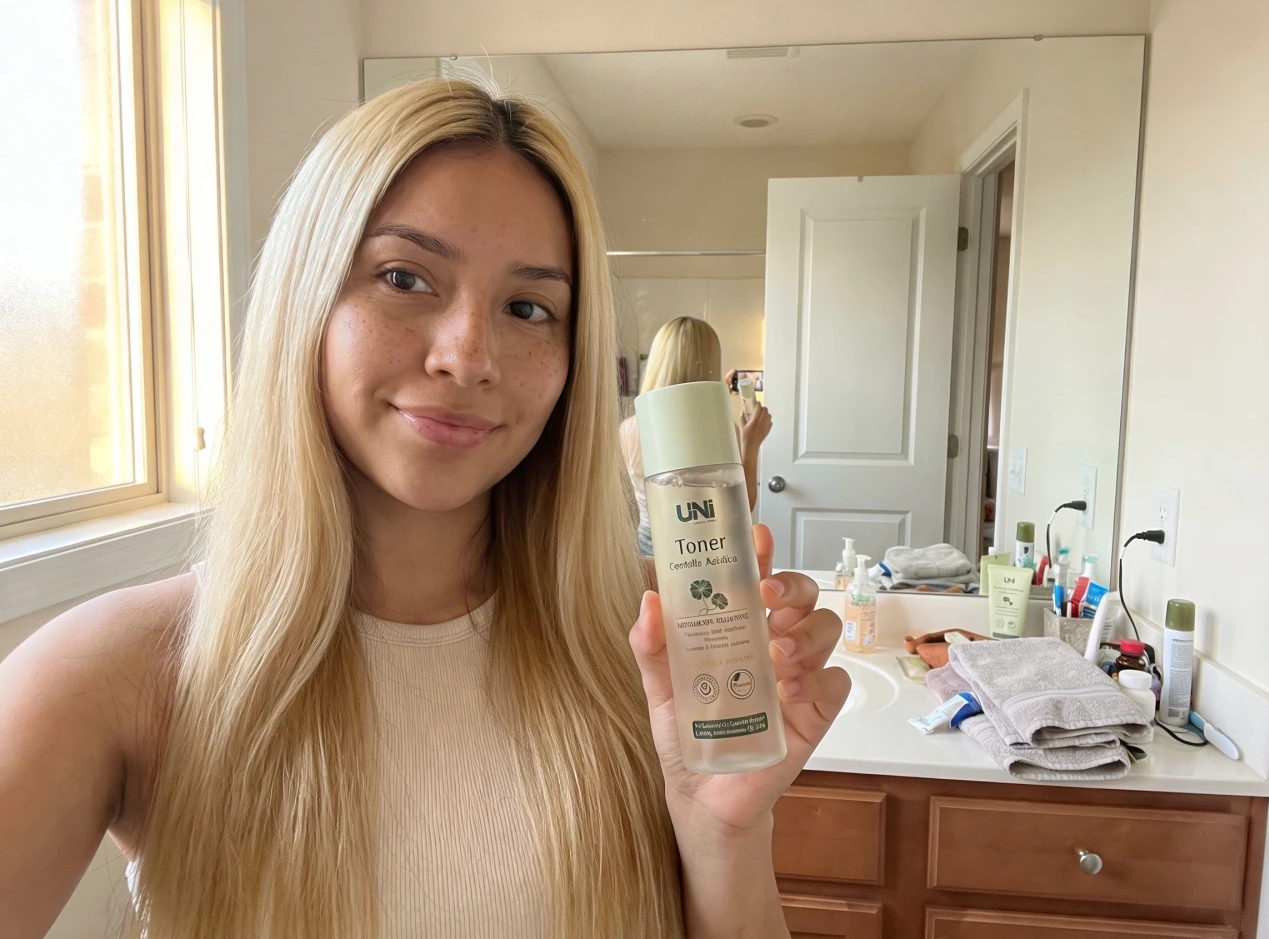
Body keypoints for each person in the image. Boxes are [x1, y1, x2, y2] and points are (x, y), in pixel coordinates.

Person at [0, 79, 847, 939]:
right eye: (403, 277)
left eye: (528, 307)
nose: (468, 356)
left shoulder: (658, 643)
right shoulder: (116, 672)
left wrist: (725, 833)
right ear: (307, 297)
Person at [620, 316, 773, 556]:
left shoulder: (629, 428)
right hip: (703, 552)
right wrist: (750, 444)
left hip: (645, 551)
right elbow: (740, 510)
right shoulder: (719, 429)